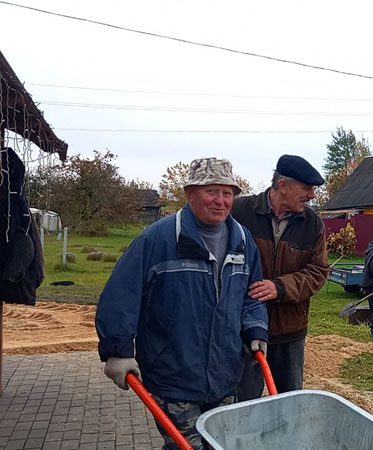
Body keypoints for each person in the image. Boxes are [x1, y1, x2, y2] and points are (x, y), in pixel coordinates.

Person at [95, 158, 268, 450]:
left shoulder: (242, 240)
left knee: (219, 445)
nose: (220, 201)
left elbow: (251, 294)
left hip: (225, 375)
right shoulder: (158, 240)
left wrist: (256, 330)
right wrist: (118, 351)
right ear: (190, 193)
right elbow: (120, 296)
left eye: (227, 193)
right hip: (173, 377)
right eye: (211, 191)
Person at [232, 154, 329, 398]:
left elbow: (318, 271)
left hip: (289, 332)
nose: (312, 196)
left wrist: (281, 287)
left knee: (289, 403)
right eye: (306, 188)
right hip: (240, 329)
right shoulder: (239, 211)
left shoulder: (313, 223)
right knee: (240, 403)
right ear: (282, 186)